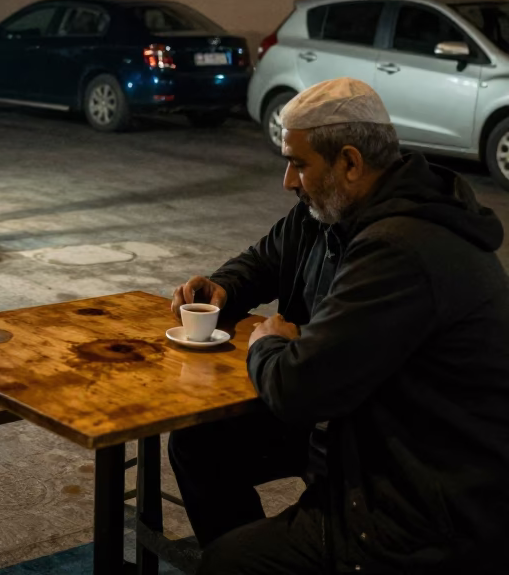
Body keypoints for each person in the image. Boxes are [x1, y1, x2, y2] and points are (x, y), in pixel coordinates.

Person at [168, 77, 509, 575]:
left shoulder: (399, 246)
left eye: (299, 164)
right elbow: (264, 260)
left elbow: (297, 388)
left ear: (350, 163)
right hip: (362, 422)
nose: (287, 180)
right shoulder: (331, 211)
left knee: (225, 564)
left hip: (428, 496)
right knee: (201, 445)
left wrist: (266, 345)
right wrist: (223, 289)